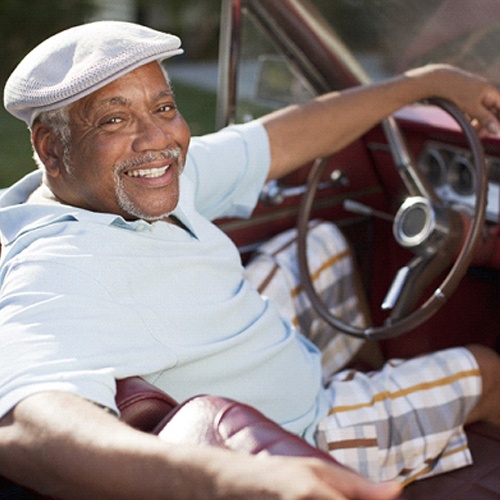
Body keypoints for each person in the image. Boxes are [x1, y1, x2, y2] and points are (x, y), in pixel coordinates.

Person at [0, 20, 499, 500]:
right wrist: (227, 478)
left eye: (165, 108)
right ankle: (374, 416)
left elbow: (281, 138)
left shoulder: (145, 179)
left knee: (322, 244)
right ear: (51, 148)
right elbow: (26, 428)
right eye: (114, 119)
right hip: (305, 430)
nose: (157, 140)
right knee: (489, 370)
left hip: (258, 361)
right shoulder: (58, 265)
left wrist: (422, 84)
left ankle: (365, 383)